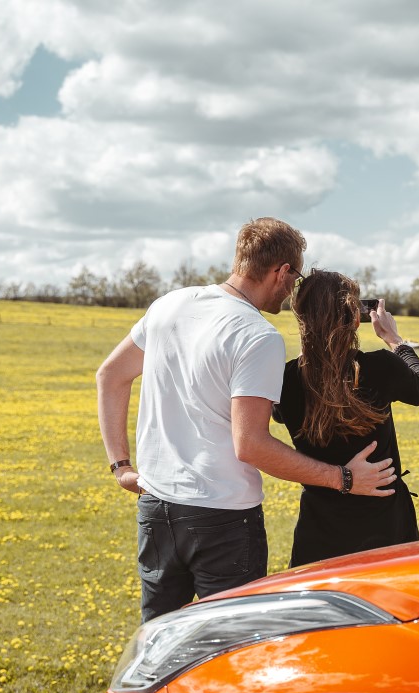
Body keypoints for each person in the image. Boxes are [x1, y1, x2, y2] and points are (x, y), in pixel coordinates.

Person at [96, 218, 396, 622]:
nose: (292, 290)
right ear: (281, 271)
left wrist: (121, 467)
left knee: (160, 637)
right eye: (295, 278)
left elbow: (110, 376)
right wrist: (343, 478)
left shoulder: (169, 304)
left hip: (156, 506)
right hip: (221, 516)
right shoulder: (257, 335)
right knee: (235, 641)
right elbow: (251, 445)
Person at [273, 269, 419, 566]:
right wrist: (394, 339)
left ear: (301, 318)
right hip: (385, 528)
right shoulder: (381, 367)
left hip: (319, 531)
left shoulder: (286, 379)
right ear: (354, 318)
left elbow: (279, 414)